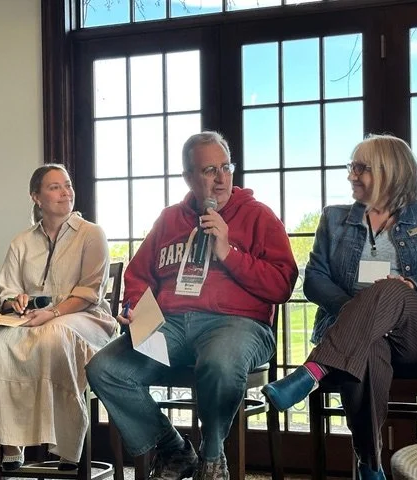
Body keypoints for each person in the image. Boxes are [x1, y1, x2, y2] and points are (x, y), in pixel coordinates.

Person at [86, 131, 298, 480]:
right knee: (106, 369)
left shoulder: (258, 217)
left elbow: (282, 284)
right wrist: (135, 307)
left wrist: (228, 252)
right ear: (188, 177)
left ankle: (212, 457)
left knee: (219, 362)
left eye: (225, 168)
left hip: (237, 324)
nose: (220, 179)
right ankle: (173, 448)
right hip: (171, 326)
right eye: (209, 170)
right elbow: (139, 275)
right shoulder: (170, 219)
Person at [262, 134, 417, 480]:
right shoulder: (335, 218)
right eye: (351, 167)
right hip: (359, 334)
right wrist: (357, 310)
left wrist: (414, 285)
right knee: (367, 349)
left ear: (389, 171)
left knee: (390, 290)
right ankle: (370, 464)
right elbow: (314, 279)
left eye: (361, 168)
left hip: (415, 331)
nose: (351, 175)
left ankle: (311, 371)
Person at [0, 164, 117, 474]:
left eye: (67, 184)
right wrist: (16, 300)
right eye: (55, 187)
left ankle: (67, 447)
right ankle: (11, 442)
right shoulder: (22, 241)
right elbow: (6, 292)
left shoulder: (92, 234)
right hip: (33, 319)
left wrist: (52, 313)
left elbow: (90, 292)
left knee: (55, 336)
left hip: (85, 318)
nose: (65, 191)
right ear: (36, 197)